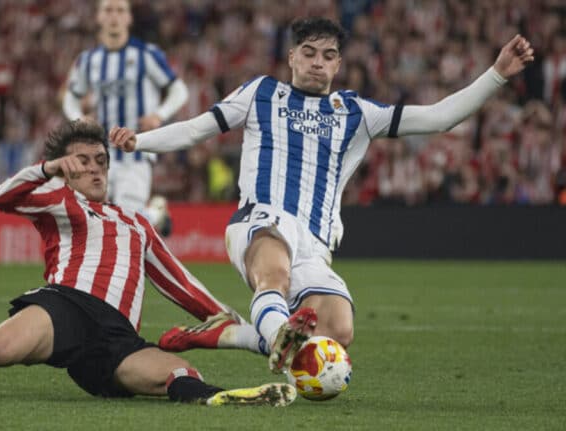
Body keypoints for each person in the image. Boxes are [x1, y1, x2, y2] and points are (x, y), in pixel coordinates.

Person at [109, 18, 534, 373]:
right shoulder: (261, 93)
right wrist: (139, 141)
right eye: (309, 52)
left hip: (314, 243)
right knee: (272, 274)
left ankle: (234, 333)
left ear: (339, 65)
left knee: (338, 329)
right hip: (261, 219)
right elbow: (196, 128)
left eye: (328, 56)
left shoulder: (357, 113)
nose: (318, 62)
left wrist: (496, 73)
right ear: (292, 57)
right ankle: (278, 337)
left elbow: (440, 118)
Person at [0, 121, 296, 407]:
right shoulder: (58, 201)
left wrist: (239, 327)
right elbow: (0, 198)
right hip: (65, 308)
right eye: (83, 161)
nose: (94, 169)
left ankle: (227, 399)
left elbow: (181, 284)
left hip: (117, 338)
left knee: (175, 375)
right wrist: (49, 168)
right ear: (66, 166)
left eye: (100, 161)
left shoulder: (137, 223)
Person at [62, 0, 189, 235]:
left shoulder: (146, 55)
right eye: (108, 10)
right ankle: (154, 215)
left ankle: (146, 220)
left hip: (136, 152)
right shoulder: (88, 60)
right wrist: (78, 119)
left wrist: (158, 116)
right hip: (100, 154)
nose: (114, 16)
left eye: (120, 11)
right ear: (99, 17)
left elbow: (179, 91)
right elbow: (70, 98)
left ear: (129, 18)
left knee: (125, 222)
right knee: (103, 218)